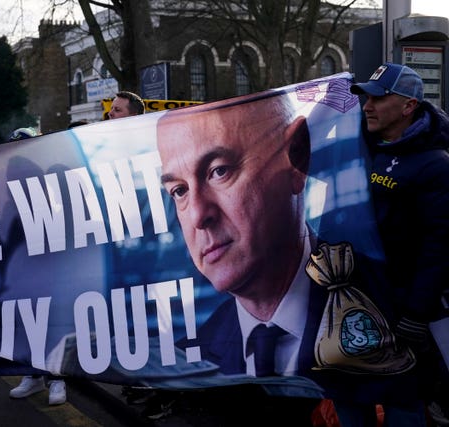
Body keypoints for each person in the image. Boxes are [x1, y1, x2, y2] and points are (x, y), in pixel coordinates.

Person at [156, 93, 326, 423]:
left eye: (219, 171)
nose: (198, 215)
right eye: (179, 191)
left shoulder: (373, 302)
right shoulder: (192, 352)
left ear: (296, 158)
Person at [335, 63, 449, 426]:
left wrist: (416, 314)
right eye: (366, 97)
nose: (367, 105)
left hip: (400, 317)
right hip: (355, 309)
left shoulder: (435, 166)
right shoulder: (361, 151)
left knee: (401, 403)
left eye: (379, 97)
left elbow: (440, 247)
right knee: (349, 399)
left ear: (408, 105)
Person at [6, 125, 68, 406]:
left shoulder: (53, 179)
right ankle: (32, 375)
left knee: (52, 322)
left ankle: (57, 378)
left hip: (51, 269)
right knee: (26, 323)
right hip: (22, 271)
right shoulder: (9, 181)